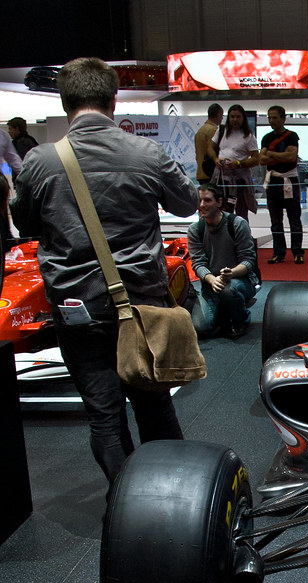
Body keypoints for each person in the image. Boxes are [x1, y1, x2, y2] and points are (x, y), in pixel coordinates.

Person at [10, 56, 198, 486]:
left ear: (64, 102)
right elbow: (187, 204)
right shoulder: (146, 152)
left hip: (78, 310)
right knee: (155, 407)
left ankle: (124, 499)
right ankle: (169, 498)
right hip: (141, 305)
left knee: (105, 418)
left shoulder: (40, 161)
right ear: (113, 101)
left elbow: (26, 225)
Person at [187, 184, 258, 340]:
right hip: (210, 285)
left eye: (207, 200)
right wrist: (212, 280)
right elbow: (198, 263)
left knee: (228, 289)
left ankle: (241, 321)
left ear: (219, 202)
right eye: (199, 201)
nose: (201, 205)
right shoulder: (195, 229)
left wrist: (231, 273)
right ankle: (226, 310)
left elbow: (249, 260)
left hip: (239, 281)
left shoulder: (237, 223)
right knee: (201, 328)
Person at [259, 105, 303, 265]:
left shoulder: (292, 136)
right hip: (273, 182)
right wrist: (280, 157)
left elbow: (291, 157)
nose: (271, 121)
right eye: (269, 117)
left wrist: (270, 154)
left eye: (275, 117)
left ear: (283, 118)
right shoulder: (266, 138)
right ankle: (279, 252)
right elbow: (262, 159)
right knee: (275, 219)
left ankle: (297, 251)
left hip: (289, 180)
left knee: (294, 218)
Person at [208, 102, 259, 221]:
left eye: (238, 117)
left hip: (239, 180)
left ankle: (242, 236)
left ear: (243, 118)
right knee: (221, 211)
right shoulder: (221, 131)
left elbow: (256, 159)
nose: (235, 119)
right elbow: (210, 147)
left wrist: (239, 164)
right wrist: (216, 159)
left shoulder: (249, 136)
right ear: (228, 117)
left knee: (241, 212)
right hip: (221, 179)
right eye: (232, 116)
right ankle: (223, 236)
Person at [194, 102, 222, 184]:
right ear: (218, 115)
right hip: (210, 173)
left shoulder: (200, 130)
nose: (221, 119)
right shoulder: (214, 131)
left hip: (201, 172)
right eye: (222, 116)